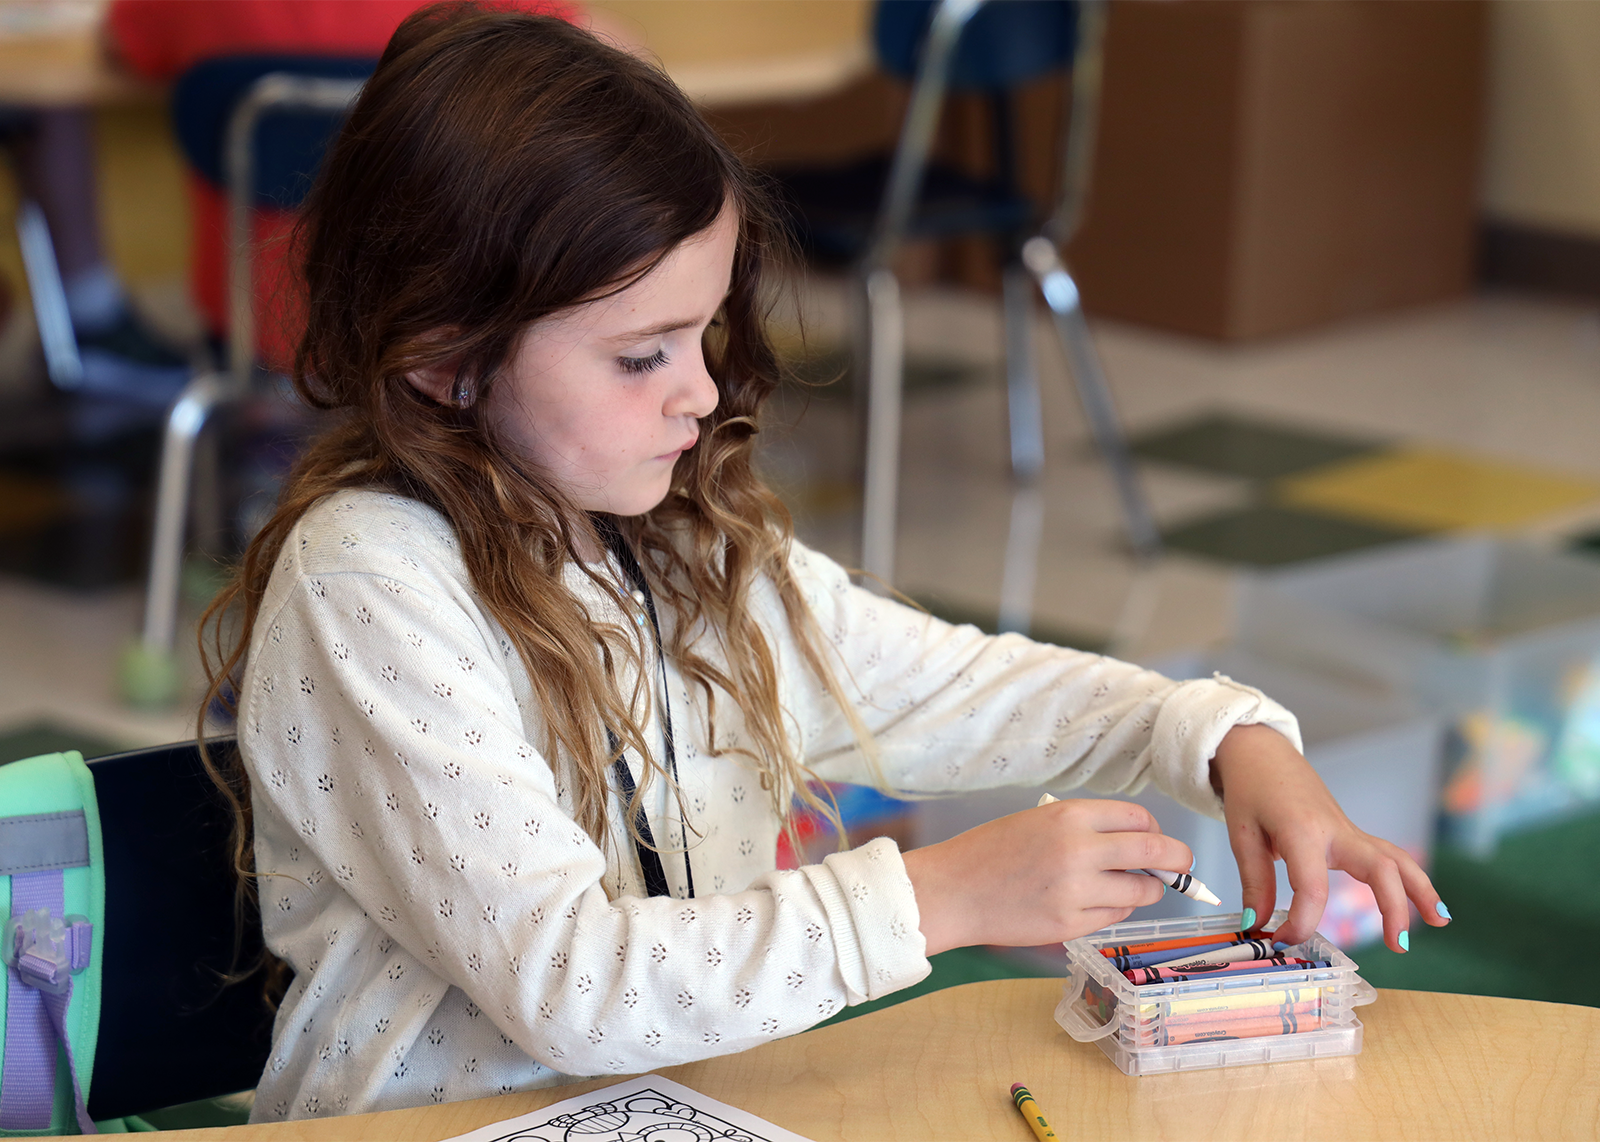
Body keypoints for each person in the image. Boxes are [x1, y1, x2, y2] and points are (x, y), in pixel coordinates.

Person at [201, 3, 1450, 1124]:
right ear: (444, 359)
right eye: (641, 356)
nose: (698, 391)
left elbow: (961, 688)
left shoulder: (674, 542)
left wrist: (1222, 735)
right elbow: (568, 984)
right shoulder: (367, 582)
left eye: (701, 333)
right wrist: (937, 899)